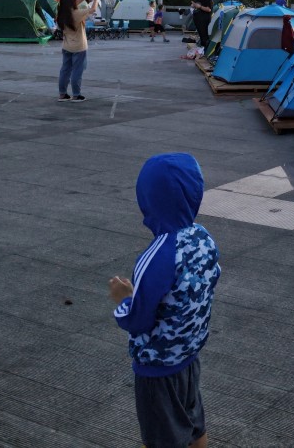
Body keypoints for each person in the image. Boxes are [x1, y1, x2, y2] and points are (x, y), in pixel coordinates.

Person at [108, 153, 221, 448]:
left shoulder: (158, 254)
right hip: (189, 357)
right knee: (194, 427)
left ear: (148, 199)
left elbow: (138, 321)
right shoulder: (203, 238)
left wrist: (124, 299)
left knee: (159, 439)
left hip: (158, 368)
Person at [56, 0, 99, 102]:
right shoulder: (77, 14)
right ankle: (76, 94)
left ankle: (62, 94)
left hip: (66, 46)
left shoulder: (61, 13)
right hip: (79, 47)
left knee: (65, 70)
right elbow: (93, 9)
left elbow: (72, 6)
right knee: (77, 71)